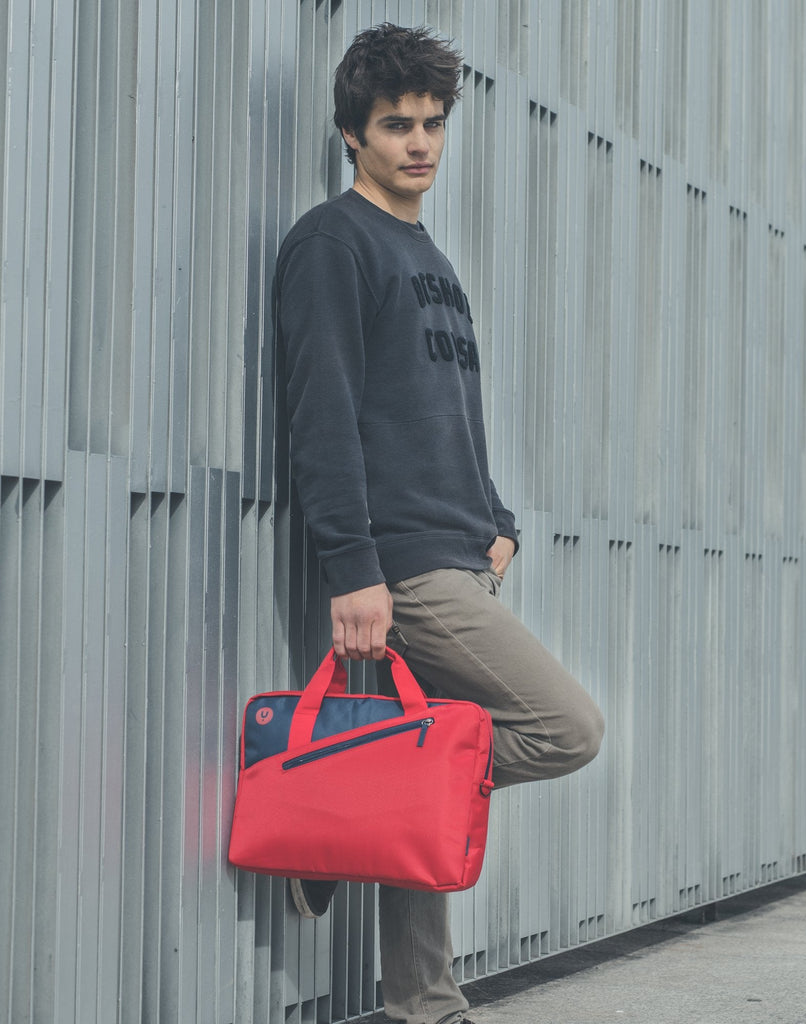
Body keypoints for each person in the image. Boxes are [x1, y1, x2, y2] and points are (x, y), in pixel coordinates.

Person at [274, 23, 605, 1024]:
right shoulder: (332, 242)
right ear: (351, 133)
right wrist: (353, 569)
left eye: (431, 123)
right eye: (394, 125)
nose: (418, 142)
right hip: (403, 565)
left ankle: (426, 1004)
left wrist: (496, 518)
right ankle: (349, 794)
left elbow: (443, 412)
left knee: (431, 768)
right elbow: (321, 414)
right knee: (566, 727)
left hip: (459, 551)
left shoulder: (429, 256)